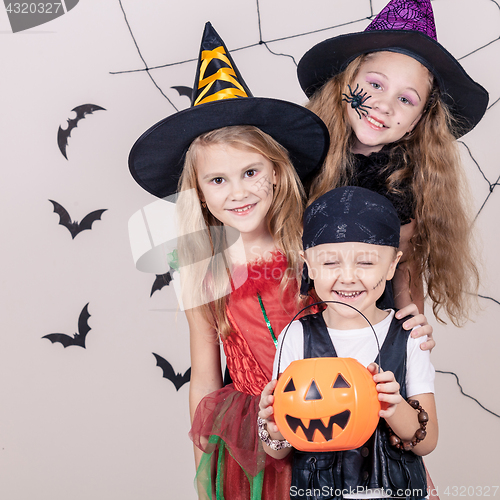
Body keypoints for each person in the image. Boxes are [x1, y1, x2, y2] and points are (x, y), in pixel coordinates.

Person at [128, 22, 435, 500]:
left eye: (251, 172)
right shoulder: (200, 269)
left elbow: (377, 290)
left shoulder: (313, 246)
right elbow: (204, 379)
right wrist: (204, 474)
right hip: (257, 429)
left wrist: (407, 320)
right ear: (200, 194)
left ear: (276, 172)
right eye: (218, 181)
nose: (239, 192)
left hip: (339, 411)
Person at [297, 0, 488, 325]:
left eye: (405, 99)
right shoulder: (296, 156)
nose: (384, 105)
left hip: (365, 323)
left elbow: (405, 267)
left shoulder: (406, 184)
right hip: (282, 320)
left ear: (418, 120)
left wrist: (412, 332)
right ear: (346, 83)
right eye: (375, 85)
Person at [259, 186, 438, 500]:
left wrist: (395, 407)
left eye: (366, 263)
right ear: (308, 264)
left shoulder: (408, 336)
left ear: (392, 264)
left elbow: (427, 441)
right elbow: (276, 453)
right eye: (330, 264)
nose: (348, 277)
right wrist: (273, 426)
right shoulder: (296, 336)